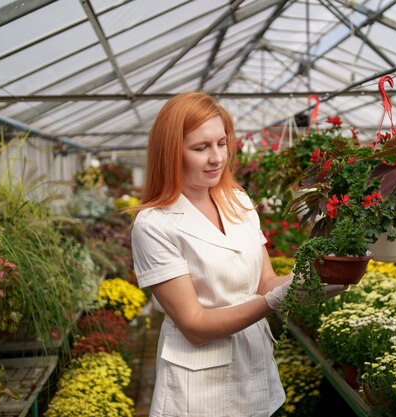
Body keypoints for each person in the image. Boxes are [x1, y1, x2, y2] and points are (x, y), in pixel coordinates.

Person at [131, 92, 345, 417]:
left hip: (255, 372)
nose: (217, 157)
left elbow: (265, 282)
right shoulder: (154, 225)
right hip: (198, 390)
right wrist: (275, 301)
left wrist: (320, 275)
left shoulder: (238, 202)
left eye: (221, 143)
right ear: (171, 152)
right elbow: (194, 324)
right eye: (201, 148)